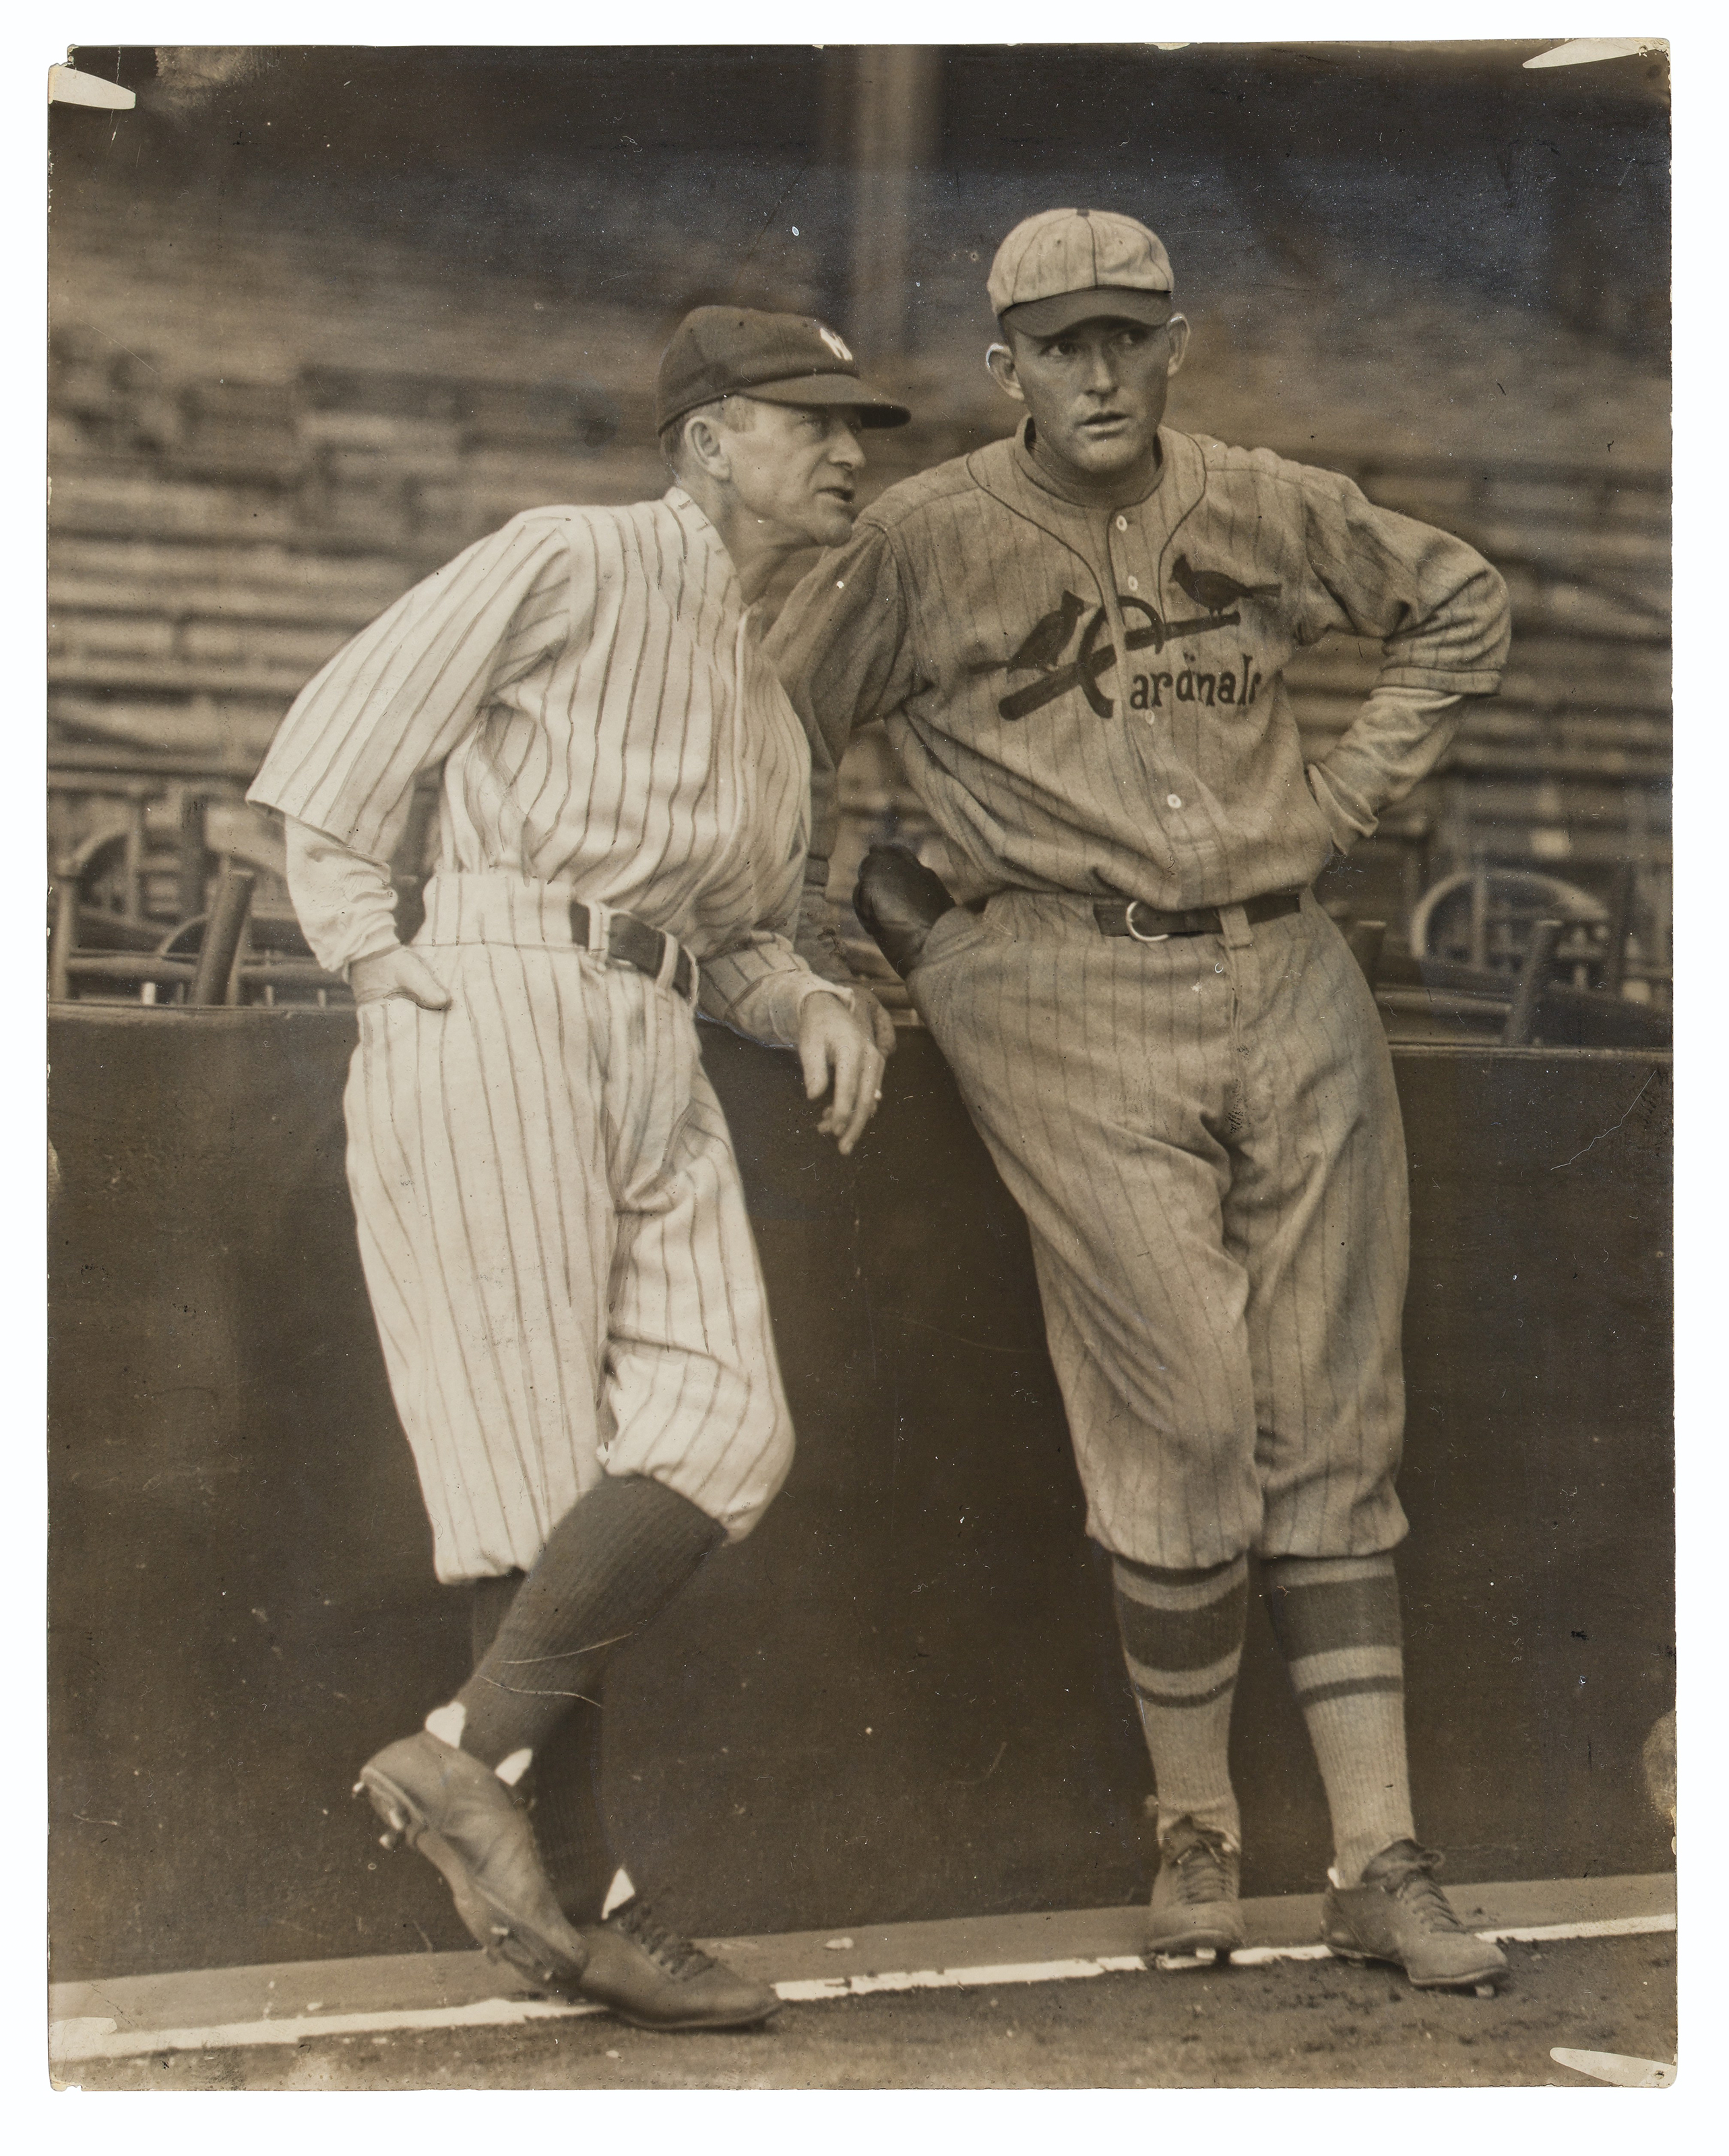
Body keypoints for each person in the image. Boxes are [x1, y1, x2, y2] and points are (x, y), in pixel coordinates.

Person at [766, 209, 1513, 1994]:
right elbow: (772, 729)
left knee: (1336, 1413)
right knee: (1181, 1404)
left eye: (1123, 336)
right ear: (999, 363)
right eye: (1056, 342)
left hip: (1286, 951)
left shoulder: (1254, 498)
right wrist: (821, 943)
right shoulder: (919, 535)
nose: (1094, 370)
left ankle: (1375, 1859)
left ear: (1170, 343)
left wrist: (1340, 796)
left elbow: (1457, 598)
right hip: (1056, 973)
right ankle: (1194, 1826)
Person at [247, 307, 905, 2030]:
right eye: (809, 421)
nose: (849, 452)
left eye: (863, 429)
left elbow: (738, 928)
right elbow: (343, 736)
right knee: (525, 1476)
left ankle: (461, 1757)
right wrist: (372, 955)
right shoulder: (569, 554)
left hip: (655, 1027)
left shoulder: (768, 692)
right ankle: (596, 1903)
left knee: (723, 1423)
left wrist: (810, 993)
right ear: (704, 439)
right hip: (502, 987)